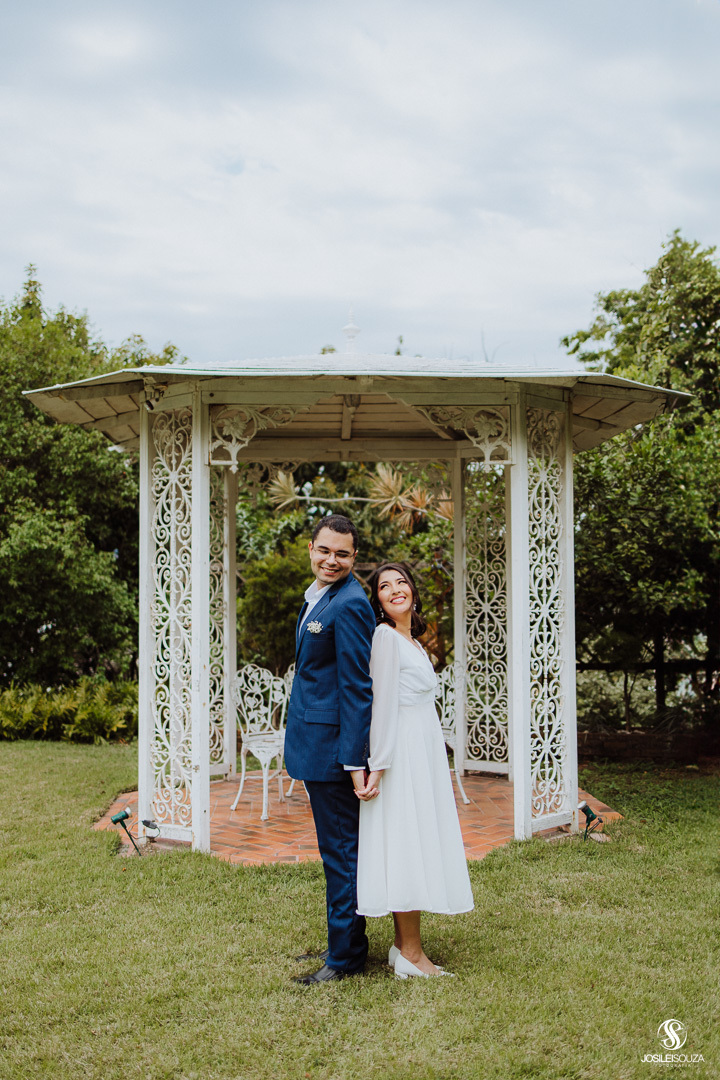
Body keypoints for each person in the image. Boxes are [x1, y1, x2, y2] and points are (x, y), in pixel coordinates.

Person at [355, 562, 474, 979]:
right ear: (380, 602)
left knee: (413, 842)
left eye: (401, 581)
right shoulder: (385, 638)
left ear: (412, 591)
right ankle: (412, 954)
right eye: (384, 586)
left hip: (422, 750)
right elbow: (382, 705)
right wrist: (381, 765)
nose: (394, 589)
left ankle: (401, 948)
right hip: (402, 753)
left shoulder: (413, 641)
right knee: (405, 845)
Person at [284, 514, 376, 985]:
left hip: (333, 751)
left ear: (354, 556)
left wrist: (354, 759)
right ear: (311, 548)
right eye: (325, 550)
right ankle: (346, 942)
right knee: (336, 850)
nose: (332, 560)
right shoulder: (320, 597)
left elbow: (358, 688)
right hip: (313, 741)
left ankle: (344, 959)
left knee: (341, 853)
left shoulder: (352, 604)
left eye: (342, 553)